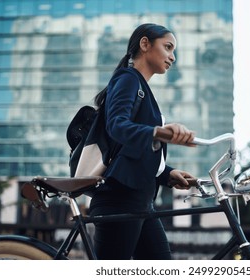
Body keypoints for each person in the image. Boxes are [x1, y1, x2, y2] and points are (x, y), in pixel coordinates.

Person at [89, 23, 196, 260]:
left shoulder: (141, 87)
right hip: (120, 199)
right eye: (168, 47)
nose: (173, 57)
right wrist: (159, 132)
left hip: (140, 200)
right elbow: (117, 126)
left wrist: (167, 173)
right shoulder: (128, 78)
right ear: (145, 44)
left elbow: (131, 152)